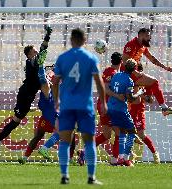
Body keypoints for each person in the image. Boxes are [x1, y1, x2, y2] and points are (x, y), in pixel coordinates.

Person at [53, 28, 106, 185]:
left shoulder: (62, 58)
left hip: (67, 105)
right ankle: (91, 177)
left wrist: (56, 101)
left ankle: (64, 176)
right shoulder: (91, 58)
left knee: (64, 141)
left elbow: (55, 83)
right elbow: (99, 82)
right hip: (85, 106)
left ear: (71, 40)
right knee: (89, 141)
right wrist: (103, 102)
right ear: (85, 40)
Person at [0, 27, 52, 155]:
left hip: (28, 96)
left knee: (15, 122)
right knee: (15, 121)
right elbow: (43, 50)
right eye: (34, 51)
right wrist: (47, 35)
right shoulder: (31, 62)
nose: (37, 52)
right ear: (29, 54)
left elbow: (40, 68)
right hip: (25, 95)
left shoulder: (34, 64)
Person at [122, 28, 172, 116]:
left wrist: (164, 67)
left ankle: (145, 96)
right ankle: (164, 108)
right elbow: (125, 60)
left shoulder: (143, 46)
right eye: (147, 36)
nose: (149, 38)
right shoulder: (131, 44)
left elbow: (152, 58)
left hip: (134, 74)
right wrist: (134, 72)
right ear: (140, 36)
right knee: (154, 82)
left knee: (137, 100)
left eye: (149, 36)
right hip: (128, 74)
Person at [107, 58, 145, 167]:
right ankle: (126, 159)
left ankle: (120, 158)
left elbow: (110, 88)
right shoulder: (129, 80)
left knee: (122, 132)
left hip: (111, 107)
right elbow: (131, 98)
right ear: (134, 70)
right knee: (132, 132)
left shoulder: (116, 75)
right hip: (120, 109)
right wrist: (140, 93)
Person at [95, 52, 123, 165]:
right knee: (119, 133)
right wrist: (118, 96)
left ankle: (85, 151)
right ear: (121, 62)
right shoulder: (111, 72)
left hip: (107, 105)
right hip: (107, 106)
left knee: (106, 135)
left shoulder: (112, 72)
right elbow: (105, 89)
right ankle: (115, 160)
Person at [129, 87, 160, 164]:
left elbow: (151, 100)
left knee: (142, 135)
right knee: (124, 133)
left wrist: (142, 95)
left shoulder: (146, 84)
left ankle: (155, 153)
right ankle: (131, 155)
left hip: (139, 113)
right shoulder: (129, 81)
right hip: (129, 111)